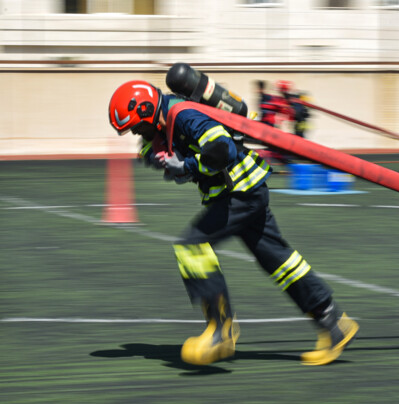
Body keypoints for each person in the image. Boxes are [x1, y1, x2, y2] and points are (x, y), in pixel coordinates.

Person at [108, 79, 359, 366]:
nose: (137, 134)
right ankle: (334, 324)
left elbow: (222, 149)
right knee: (279, 261)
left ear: (149, 111)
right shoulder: (166, 122)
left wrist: (187, 166)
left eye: (138, 126)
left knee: (192, 247)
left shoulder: (185, 116)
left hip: (239, 191)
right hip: (244, 191)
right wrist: (158, 156)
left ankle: (220, 330)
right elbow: (150, 149)